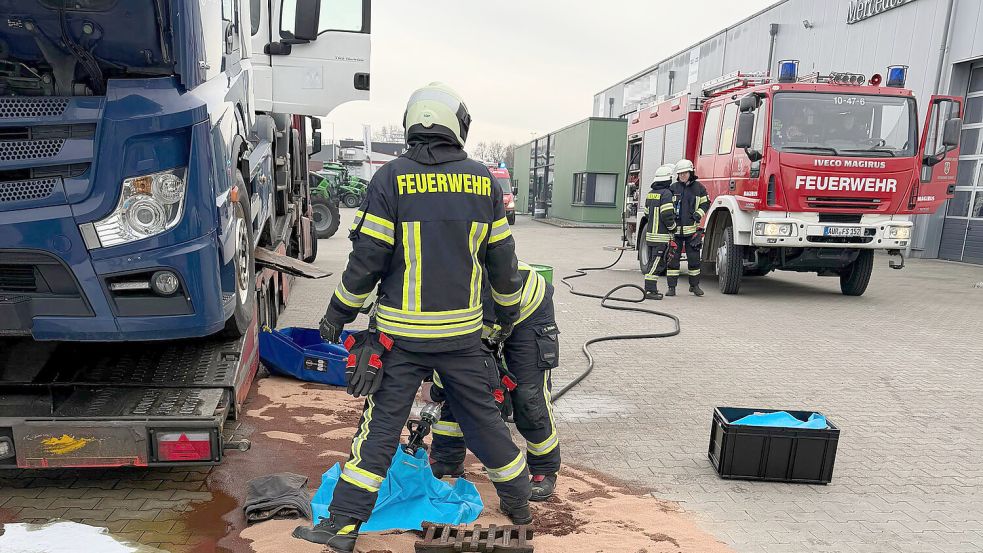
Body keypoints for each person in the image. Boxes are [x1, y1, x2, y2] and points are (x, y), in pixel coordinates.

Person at [294, 83, 532, 552]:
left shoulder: (390, 179)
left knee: (379, 431)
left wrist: (337, 314)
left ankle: (342, 527)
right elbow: (503, 265)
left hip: (399, 340)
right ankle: (520, 504)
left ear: (413, 124)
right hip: (462, 339)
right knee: (484, 423)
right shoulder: (483, 181)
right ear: (456, 125)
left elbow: (367, 261)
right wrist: (504, 318)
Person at [429, 261, 562, 501]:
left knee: (528, 396)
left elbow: (456, 352)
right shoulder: (428, 291)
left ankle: (544, 466)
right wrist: (439, 382)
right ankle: (447, 458)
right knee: (453, 385)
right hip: (484, 321)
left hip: (527, 310)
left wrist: (438, 384)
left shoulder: (464, 283)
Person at [667, 159, 710, 297]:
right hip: (675, 231)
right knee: (673, 261)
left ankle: (694, 286)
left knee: (694, 260)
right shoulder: (673, 188)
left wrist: (698, 215)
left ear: (691, 173)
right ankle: (671, 288)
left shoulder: (699, 188)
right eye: (680, 174)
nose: (682, 176)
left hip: (691, 231)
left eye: (685, 173)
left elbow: (705, 204)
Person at [641, 165, 679, 300]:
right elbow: (667, 214)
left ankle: (650, 289)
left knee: (653, 262)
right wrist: (673, 227)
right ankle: (650, 290)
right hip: (661, 237)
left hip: (651, 236)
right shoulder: (666, 194)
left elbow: (646, 213)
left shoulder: (651, 193)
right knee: (657, 264)